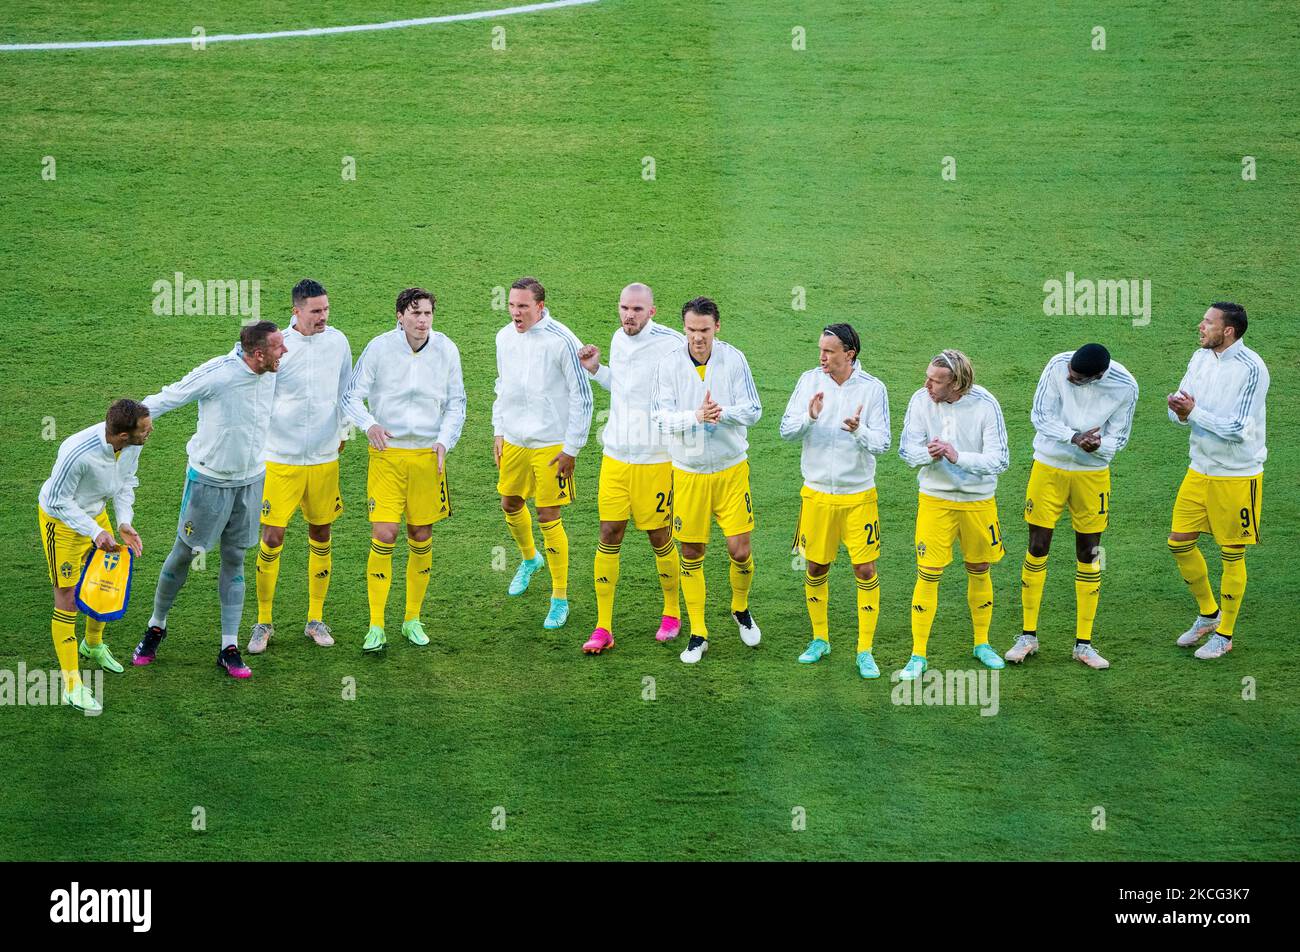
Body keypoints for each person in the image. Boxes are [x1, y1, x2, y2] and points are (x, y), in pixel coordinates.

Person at [135, 320, 285, 679]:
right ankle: (156, 626)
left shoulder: (272, 371)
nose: (286, 352)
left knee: (235, 558)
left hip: (250, 482)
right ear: (258, 353)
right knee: (185, 552)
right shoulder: (217, 374)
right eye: (280, 347)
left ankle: (228, 647)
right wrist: (122, 424)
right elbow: (170, 396)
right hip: (209, 481)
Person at [343, 287, 465, 652]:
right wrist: (369, 425)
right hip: (388, 456)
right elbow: (351, 394)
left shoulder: (446, 349)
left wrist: (445, 440)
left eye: (427, 314)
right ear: (399, 316)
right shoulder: (380, 348)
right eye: (415, 314)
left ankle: (412, 618)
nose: (422, 321)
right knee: (384, 533)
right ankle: (376, 624)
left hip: (428, 457)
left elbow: (457, 401)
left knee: (421, 535)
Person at [1006, 344, 1138, 670]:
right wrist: (1074, 437)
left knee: (1090, 553)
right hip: (1048, 466)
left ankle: (1084, 644)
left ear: (1097, 377)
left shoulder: (1125, 386)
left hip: (1092, 475)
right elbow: (1040, 416)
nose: (1069, 377)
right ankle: (1027, 637)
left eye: (1077, 378)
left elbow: (1119, 438)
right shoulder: (1057, 364)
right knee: (1037, 546)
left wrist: (1099, 444)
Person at [651, 296, 762, 664]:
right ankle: (698, 632)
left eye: (704, 330)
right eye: (691, 330)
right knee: (691, 552)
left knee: (739, 550)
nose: (697, 338)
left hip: (731, 471)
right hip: (689, 474)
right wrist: (696, 417)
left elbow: (754, 410)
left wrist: (722, 414)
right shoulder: (669, 365)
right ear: (684, 328)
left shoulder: (735, 358)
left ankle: (740, 608)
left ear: (717, 327)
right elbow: (660, 418)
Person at [575, 283, 685, 654]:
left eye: (637, 309)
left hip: (655, 459)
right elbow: (621, 387)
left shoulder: (673, 343)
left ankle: (672, 613)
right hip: (616, 457)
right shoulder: (618, 340)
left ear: (652, 311)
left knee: (658, 535)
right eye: (624, 308)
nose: (629, 316)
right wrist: (596, 370)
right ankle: (603, 626)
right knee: (609, 532)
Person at [779, 324, 890, 678]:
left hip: (858, 496)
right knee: (815, 568)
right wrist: (810, 417)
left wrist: (859, 430)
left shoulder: (873, 390)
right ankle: (820, 639)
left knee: (865, 570)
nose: (822, 357)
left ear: (849, 354)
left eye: (829, 351)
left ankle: (865, 650)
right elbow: (786, 430)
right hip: (817, 495)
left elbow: (883, 444)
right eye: (820, 350)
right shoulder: (809, 381)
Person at [250, 279, 353, 653]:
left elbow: (346, 390)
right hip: (281, 458)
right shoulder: (278, 347)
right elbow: (261, 398)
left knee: (321, 533)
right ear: (296, 311)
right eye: (315, 311)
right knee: (272, 537)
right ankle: (263, 622)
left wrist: (344, 429)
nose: (323, 316)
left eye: (326, 309)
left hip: (324, 458)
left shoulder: (338, 342)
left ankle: (315, 618)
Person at [898, 349, 1009, 680]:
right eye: (928, 377)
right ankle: (918, 654)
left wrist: (958, 457)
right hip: (935, 499)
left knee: (979, 568)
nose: (927, 385)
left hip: (978, 502)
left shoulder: (986, 405)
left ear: (957, 383)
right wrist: (928, 455)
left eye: (936, 380)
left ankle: (982, 643)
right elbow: (907, 450)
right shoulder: (921, 401)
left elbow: (1000, 460)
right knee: (928, 572)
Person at [1166, 302, 1268, 659]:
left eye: (1208, 323)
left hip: (1236, 475)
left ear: (1228, 331)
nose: (1200, 326)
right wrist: (1180, 412)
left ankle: (1225, 635)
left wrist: (1194, 413)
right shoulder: (1199, 359)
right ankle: (1209, 614)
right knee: (1179, 542)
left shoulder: (1253, 369)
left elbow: (1239, 430)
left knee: (1231, 553)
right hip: (1200, 469)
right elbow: (1179, 405)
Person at [38, 399, 153, 712]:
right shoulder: (76, 453)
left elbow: (127, 482)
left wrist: (123, 522)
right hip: (61, 523)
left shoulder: (133, 446)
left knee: (103, 578)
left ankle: (93, 643)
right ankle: (71, 686)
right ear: (123, 435)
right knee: (67, 596)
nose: (150, 431)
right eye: (144, 429)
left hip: (95, 517)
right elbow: (59, 502)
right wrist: (94, 532)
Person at [492, 277, 593, 630]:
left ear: (540, 306)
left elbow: (583, 395)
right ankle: (529, 559)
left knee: (548, 515)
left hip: (552, 443)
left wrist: (572, 447)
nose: (515, 312)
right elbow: (501, 385)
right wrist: (499, 430)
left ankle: (559, 597)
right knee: (510, 503)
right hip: (517, 440)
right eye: (511, 305)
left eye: (522, 306)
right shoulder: (504, 337)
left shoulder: (562, 341)